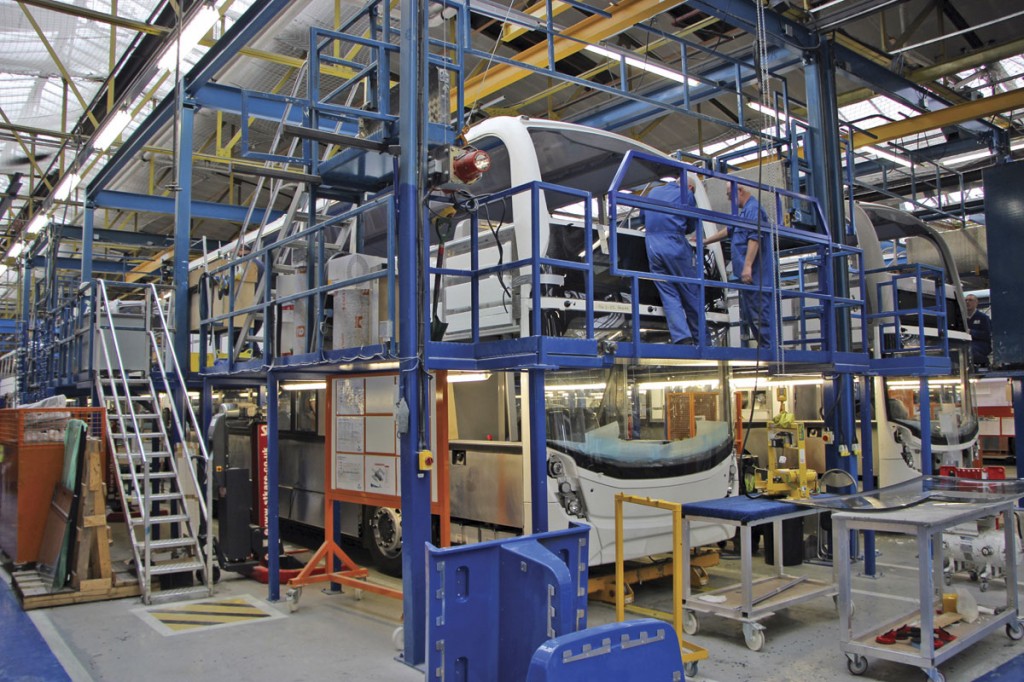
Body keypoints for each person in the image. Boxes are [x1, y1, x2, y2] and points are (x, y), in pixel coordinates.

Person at [705, 184, 775, 348]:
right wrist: (705, 241)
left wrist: (748, 266)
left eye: (730, 195)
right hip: (747, 278)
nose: (729, 199)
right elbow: (729, 230)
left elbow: (754, 238)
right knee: (752, 314)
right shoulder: (744, 213)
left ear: (740, 191)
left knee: (760, 312)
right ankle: (765, 346)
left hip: (756, 275)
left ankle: (770, 349)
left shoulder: (754, 210)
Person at [641, 179, 703, 345]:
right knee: (690, 290)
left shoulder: (653, 191)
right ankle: (701, 338)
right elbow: (691, 224)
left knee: (668, 293)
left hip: (652, 245)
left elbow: (642, 218)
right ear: (690, 187)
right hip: (674, 243)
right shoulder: (686, 194)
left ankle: (682, 336)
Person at [965, 294, 991, 368]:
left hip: (982, 344)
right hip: (967, 343)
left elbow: (987, 334)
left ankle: (984, 362)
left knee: (970, 349)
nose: (967, 302)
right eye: (966, 300)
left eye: (970, 300)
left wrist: (971, 332)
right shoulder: (963, 318)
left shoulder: (983, 317)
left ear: (976, 302)